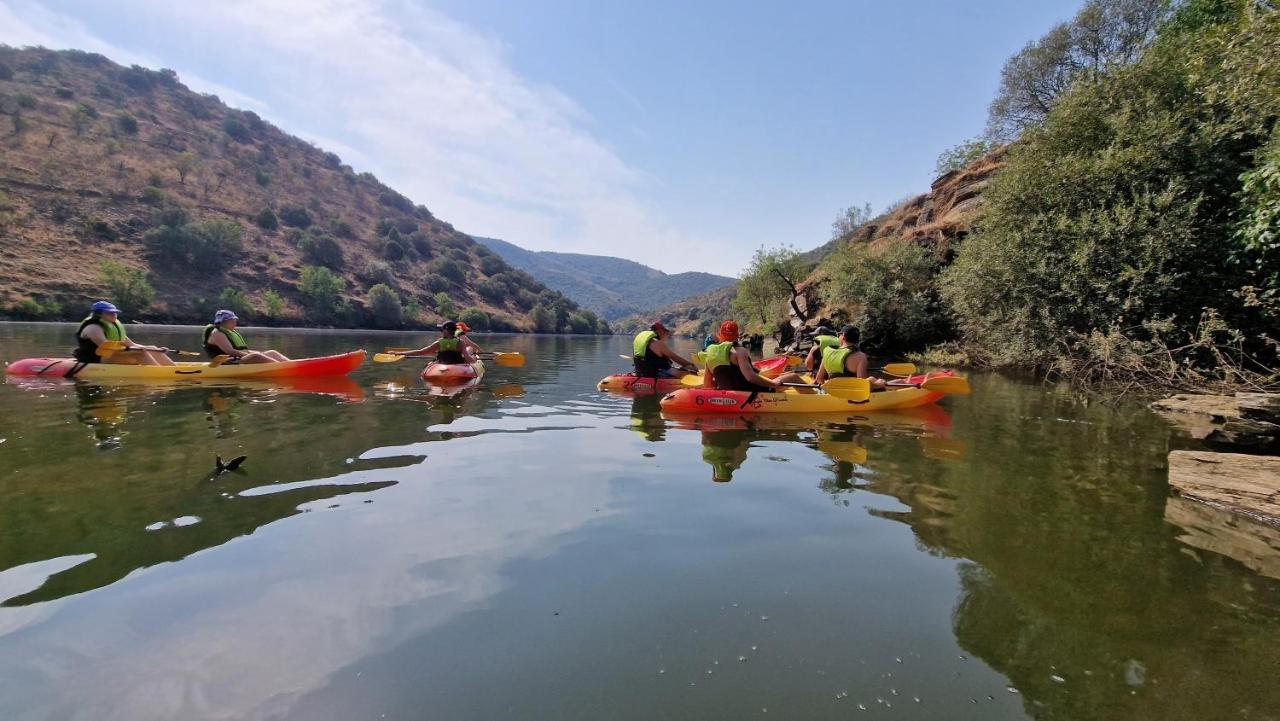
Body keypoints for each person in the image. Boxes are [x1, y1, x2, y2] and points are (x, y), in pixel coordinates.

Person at [703, 320, 806, 392]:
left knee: (784, 374)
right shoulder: (739, 351)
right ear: (737, 335)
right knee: (793, 376)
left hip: (729, 392)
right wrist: (773, 384)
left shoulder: (710, 353)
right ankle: (818, 397)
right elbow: (751, 378)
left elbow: (707, 385)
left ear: (720, 335)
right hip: (750, 392)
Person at [73, 300, 175, 366]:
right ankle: (160, 373)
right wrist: (137, 349)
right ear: (99, 314)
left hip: (111, 355)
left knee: (152, 348)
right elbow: (106, 347)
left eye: (115, 312)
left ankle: (173, 369)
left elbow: (132, 345)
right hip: (95, 359)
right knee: (141, 354)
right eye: (110, 313)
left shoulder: (112, 326)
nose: (114, 315)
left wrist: (157, 349)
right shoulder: (93, 328)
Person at [812, 324, 888, 390]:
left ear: (843, 336)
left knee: (872, 379)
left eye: (839, 335)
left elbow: (819, 379)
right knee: (874, 380)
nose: (838, 337)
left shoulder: (827, 352)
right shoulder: (860, 356)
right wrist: (878, 385)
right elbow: (862, 385)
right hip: (852, 394)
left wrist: (829, 388)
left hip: (833, 392)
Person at [203, 310, 290, 364]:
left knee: (272, 352)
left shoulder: (229, 331)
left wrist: (258, 352)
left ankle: (290, 364)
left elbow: (242, 350)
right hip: (224, 362)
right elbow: (230, 351)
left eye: (235, 321)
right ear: (223, 322)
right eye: (232, 321)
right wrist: (250, 354)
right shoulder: (217, 333)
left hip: (236, 358)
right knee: (255, 356)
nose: (235, 323)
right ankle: (282, 368)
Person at [403, 320, 483, 364]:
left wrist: (402, 353)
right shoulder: (460, 342)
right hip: (457, 363)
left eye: (442, 330)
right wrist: (475, 360)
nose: (440, 331)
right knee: (470, 350)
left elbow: (420, 352)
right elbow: (467, 357)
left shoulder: (439, 342)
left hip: (443, 363)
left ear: (446, 331)